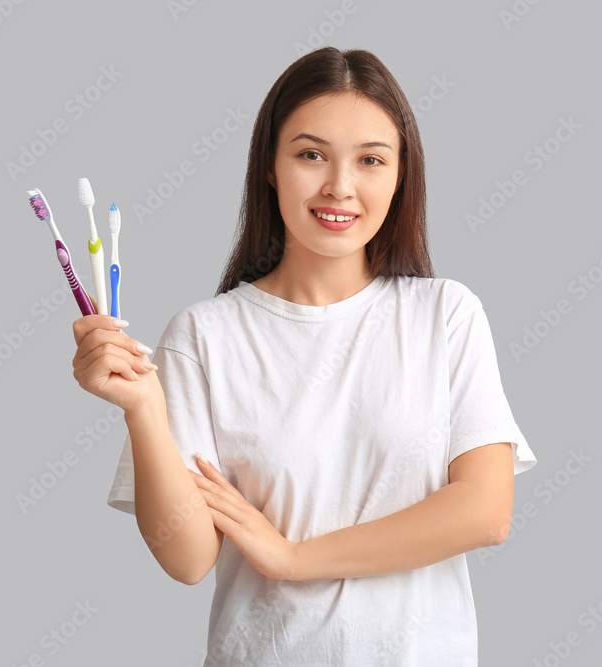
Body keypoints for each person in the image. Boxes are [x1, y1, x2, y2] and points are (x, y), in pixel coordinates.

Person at [71, 46, 537, 666]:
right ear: (270, 165)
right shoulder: (203, 336)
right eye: (311, 154)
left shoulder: (446, 316)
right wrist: (143, 409)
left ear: (401, 175)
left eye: (371, 160)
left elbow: (484, 512)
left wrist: (292, 558)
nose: (339, 187)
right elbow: (186, 559)